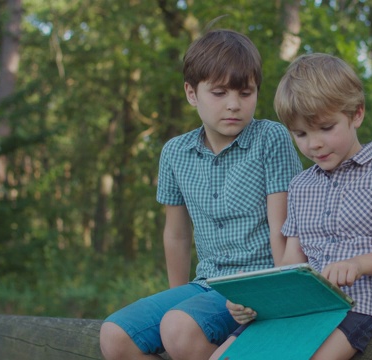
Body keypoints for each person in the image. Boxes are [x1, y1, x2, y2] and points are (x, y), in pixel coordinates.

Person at [213, 53, 372, 360]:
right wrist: (258, 300)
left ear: (356, 114)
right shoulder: (301, 186)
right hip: (302, 308)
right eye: (301, 134)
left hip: (361, 306)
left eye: (326, 128)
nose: (313, 144)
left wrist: (359, 264)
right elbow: (291, 262)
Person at [99, 29, 303, 360]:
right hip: (207, 284)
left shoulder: (270, 138)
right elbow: (176, 235)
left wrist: (276, 301)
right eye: (219, 93)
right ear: (192, 93)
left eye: (245, 93)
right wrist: (179, 299)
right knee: (115, 336)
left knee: (179, 329)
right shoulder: (175, 153)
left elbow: (285, 226)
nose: (234, 105)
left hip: (258, 282)